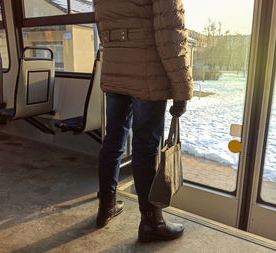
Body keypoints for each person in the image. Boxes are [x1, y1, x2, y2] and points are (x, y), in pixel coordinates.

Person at [94, 0, 193, 241]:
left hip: (116, 69)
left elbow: (104, 29)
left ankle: (106, 207)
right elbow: (171, 37)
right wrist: (182, 90)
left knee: (113, 138)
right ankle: (152, 222)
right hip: (148, 73)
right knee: (146, 148)